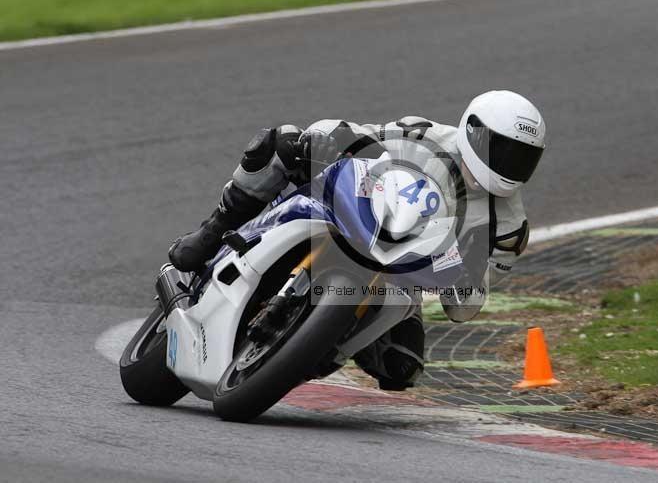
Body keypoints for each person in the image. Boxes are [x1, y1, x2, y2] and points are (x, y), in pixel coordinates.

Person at [168, 90, 546, 390]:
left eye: (522, 158)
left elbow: (466, 307)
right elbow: (354, 132)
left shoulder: (510, 228)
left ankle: (325, 341)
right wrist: (330, 140)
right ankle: (212, 231)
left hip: (403, 274)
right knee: (281, 142)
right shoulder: (424, 134)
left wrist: (462, 281)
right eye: (502, 150)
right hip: (357, 209)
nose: (510, 165)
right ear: (473, 132)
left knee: (403, 368)